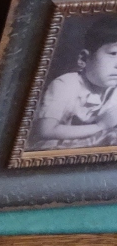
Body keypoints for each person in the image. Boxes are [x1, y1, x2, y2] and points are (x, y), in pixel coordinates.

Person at [33, 16, 117, 149]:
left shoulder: (113, 89)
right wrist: (99, 126)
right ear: (84, 58)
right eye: (113, 53)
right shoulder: (65, 85)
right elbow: (45, 131)